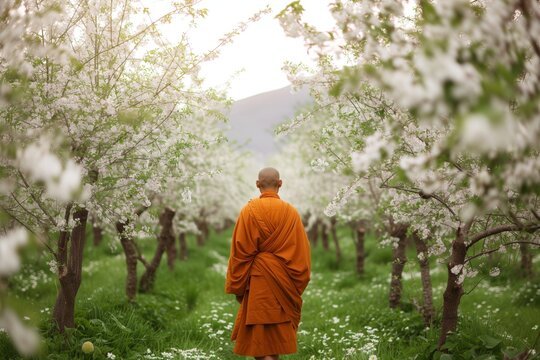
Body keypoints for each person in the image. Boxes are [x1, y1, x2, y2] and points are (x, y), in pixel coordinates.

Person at [225, 167, 311, 360]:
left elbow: (240, 252)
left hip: (258, 282)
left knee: (261, 343)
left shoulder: (248, 211)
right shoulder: (291, 212)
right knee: (273, 343)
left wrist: (238, 284)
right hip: (284, 280)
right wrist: (296, 283)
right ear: (280, 183)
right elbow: (301, 253)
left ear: (257, 184)